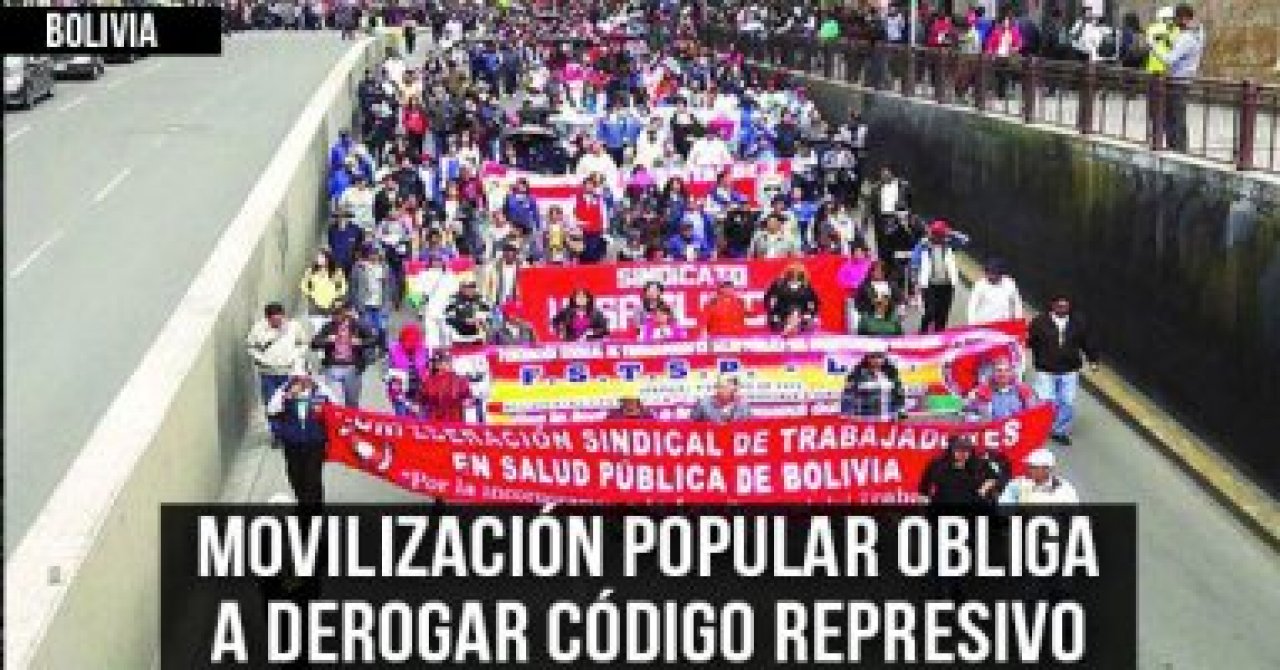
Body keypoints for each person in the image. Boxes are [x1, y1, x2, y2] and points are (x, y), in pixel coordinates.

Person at [1027, 294, 1099, 445]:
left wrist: (1093, 360)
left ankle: (1059, 430)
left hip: (1069, 370)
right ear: (1052, 305)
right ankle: (1043, 424)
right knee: (1046, 400)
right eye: (1059, 305)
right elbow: (1029, 341)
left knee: (1067, 401)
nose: (1062, 308)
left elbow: (1087, 341)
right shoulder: (1039, 322)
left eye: (1065, 306)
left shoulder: (1078, 322)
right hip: (1046, 369)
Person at [267, 372, 340, 505]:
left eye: (305, 377)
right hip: (292, 444)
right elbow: (271, 409)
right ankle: (304, 501)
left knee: (312, 478)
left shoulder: (321, 391)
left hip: (315, 442)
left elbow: (337, 408)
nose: (302, 381)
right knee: (295, 477)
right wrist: (286, 394)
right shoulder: (285, 391)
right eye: (298, 378)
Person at [245, 302, 310, 412]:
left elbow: (304, 343)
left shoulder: (294, 326)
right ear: (267, 318)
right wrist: (261, 358)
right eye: (274, 320)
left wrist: (295, 355)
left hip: (289, 372)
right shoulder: (258, 329)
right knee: (271, 403)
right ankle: (274, 422)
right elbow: (250, 346)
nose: (278, 323)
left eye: (280, 319)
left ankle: (289, 422)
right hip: (268, 372)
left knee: (290, 402)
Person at [1159, 5, 1204, 152]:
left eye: (1176, 18)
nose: (1174, 21)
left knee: (1173, 116)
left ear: (1183, 18)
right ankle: (1179, 147)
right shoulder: (1199, 34)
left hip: (1177, 80)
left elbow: (1170, 59)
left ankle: (1176, 148)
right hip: (1186, 79)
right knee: (1178, 115)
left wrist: (1154, 49)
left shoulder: (1186, 38)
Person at [311, 304, 373, 407]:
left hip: (352, 366)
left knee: (352, 402)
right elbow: (314, 344)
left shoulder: (357, 325)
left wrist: (361, 342)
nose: (335, 317)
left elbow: (373, 340)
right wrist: (327, 340)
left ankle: (350, 417)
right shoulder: (329, 326)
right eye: (334, 314)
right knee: (332, 401)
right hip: (333, 366)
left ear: (345, 313)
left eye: (338, 313)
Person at [916, 220, 961, 334]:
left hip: (947, 285)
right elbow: (914, 260)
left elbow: (965, 240)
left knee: (942, 314)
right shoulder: (924, 245)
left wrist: (951, 233)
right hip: (930, 285)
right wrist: (916, 282)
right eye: (936, 234)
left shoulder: (949, 245)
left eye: (941, 234)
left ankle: (939, 336)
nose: (939, 237)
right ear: (932, 234)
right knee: (930, 312)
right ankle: (922, 333)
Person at [917, 436, 987, 506]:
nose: (962, 454)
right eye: (958, 450)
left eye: (966, 450)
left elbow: (991, 477)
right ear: (951, 450)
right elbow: (924, 484)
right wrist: (924, 497)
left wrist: (985, 486)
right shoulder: (938, 466)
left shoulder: (977, 466)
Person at [840, 348, 905, 421]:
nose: (877, 360)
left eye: (880, 357)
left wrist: (900, 411)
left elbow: (899, 395)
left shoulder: (891, 375)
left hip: (887, 419)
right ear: (867, 358)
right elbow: (847, 397)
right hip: (863, 419)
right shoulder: (857, 375)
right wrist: (847, 415)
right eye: (873, 357)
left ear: (884, 358)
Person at [966, 358, 1039, 420]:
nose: (1003, 374)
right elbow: (968, 412)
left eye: (1006, 370)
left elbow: (1033, 412)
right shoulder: (983, 394)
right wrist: (970, 400)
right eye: (999, 370)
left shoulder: (1022, 391)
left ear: (1011, 373)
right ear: (993, 373)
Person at [999, 449, 1080, 504]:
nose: (1028, 470)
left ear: (1047, 469)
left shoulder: (1064, 489)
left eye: (1033, 467)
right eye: (1029, 466)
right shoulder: (1018, 483)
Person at [299, 250, 348, 335]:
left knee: (331, 329)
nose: (319, 259)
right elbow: (303, 285)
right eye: (318, 257)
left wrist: (337, 297)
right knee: (318, 329)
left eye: (322, 257)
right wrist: (310, 294)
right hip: (315, 304)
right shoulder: (311, 271)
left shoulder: (337, 272)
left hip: (332, 305)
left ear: (328, 259)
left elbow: (343, 286)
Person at [386, 323, 430, 417]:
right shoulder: (393, 351)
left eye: (414, 342)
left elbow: (428, 369)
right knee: (403, 419)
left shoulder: (424, 350)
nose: (411, 345)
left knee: (421, 420)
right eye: (408, 341)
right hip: (400, 393)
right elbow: (389, 374)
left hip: (420, 393)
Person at [418, 349, 474, 422]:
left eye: (447, 361)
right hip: (435, 421)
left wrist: (467, 401)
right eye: (441, 361)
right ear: (436, 364)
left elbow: (468, 397)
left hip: (454, 421)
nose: (446, 363)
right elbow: (422, 401)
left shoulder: (460, 380)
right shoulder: (428, 381)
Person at [764, 263, 820, 334]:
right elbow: (768, 298)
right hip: (782, 313)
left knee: (796, 312)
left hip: (801, 315)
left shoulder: (806, 286)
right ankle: (791, 327)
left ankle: (790, 328)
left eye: (798, 274)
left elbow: (814, 302)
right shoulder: (778, 284)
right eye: (792, 274)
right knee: (793, 312)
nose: (795, 276)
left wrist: (810, 313)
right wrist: (772, 313)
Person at [967, 259, 1024, 325]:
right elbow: (972, 306)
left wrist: (1017, 322)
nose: (990, 276)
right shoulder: (980, 285)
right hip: (984, 325)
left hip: (1004, 324)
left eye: (993, 273)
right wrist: (972, 325)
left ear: (1000, 274)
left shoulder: (1009, 284)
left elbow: (1017, 304)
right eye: (988, 272)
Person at [444, 279, 492, 345]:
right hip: (459, 336)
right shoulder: (454, 299)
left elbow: (489, 312)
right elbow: (448, 318)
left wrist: (482, 320)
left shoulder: (479, 298)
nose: (471, 289)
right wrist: (465, 321)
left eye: (473, 287)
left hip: (476, 336)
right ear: (461, 288)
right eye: (467, 287)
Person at [1144, 6, 1178, 75]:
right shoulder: (1153, 28)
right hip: (1159, 64)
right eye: (1167, 18)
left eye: (1170, 18)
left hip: (1162, 64)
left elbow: (1149, 43)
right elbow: (1149, 43)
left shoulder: (1152, 28)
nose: (1169, 21)